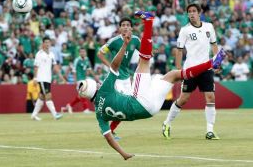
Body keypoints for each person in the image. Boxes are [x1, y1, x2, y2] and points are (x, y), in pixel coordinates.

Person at [77, 11, 226, 160]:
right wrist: (125, 45)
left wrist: (124, 154)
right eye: (95, 83)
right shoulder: (104, 89)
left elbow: (108, 138)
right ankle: (148, 21)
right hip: (139, 101)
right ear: (94, 87)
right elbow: (115, 65)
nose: (97, 83)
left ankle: (211, 64)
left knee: (173, 75)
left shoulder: (98, 113)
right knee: (144, 61)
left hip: (150, 111)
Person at [162, 3, 220, 140]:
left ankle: (210, 131)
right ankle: (167, 123)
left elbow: (214, 45)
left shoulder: (209, 27)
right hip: (190, 70)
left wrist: (216, 61)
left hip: (206, 68)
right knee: (183, 99)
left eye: (194, 11)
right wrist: (178, 70)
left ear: (199, 13)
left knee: (210, 97)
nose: (192, 13)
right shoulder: (185, 30)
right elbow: (179, 50)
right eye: (189, 12)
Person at [97, 17, 141, 138]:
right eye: (123, 25)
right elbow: (100, 53)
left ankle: (110, 129)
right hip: (115, 77)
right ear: (119, 28)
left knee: (127, 108)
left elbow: (145, 54)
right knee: (119, 105)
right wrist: (110, 66)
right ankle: (107, 128)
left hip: (126, 77)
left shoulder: (136, 40)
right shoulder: (114, 41)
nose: (126, 27)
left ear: (131, 27)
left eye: (128, 25)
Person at [31, 37, 64, 121]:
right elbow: (35, 67)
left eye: (48, 42)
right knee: (48, 96)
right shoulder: (39, 54)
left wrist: (60, 76)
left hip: (48, 78)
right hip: (41, 78)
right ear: (43, 44)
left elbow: (55, 66)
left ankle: (34, 115)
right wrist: (35, 77)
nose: (47, 44)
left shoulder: (51, 54)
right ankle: (55, 114)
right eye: (45, 42)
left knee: (41, 97)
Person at [63, 47, 95, 114]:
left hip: (84, 79)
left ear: (85, 53)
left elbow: (89, 69)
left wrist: (95, 76)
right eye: (81, 52)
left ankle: (69, 105)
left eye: (84, 52)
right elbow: (74, 70)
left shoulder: (87, 59)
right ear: (79, 53)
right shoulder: (77, 60)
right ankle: (85, 109)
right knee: (83, 93)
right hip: (79, 79)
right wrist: (75, 80)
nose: (83, 53)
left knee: (80, 96)